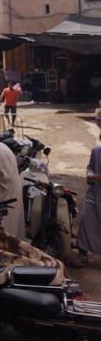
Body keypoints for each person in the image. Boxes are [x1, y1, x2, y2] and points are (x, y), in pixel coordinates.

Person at [77, 103, 101, 265]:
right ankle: (83, 254)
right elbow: (90, 168)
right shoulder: (96, 151)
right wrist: (91, 176)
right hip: (95, 193)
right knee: (87, 220)